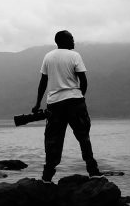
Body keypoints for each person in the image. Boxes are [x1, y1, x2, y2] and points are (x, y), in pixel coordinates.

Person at [32, 30, 100, 182]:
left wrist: (37, 103)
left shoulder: (48, 56)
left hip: (54, 104)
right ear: (63, 40)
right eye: (71, 38)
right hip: (74, 102)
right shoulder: (75, 56)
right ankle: (93, 171)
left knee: (53, 140)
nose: (74, 41)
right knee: (83, 137)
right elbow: (83, 80)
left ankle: (47, 177)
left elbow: (43, 82)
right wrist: (80, 96)